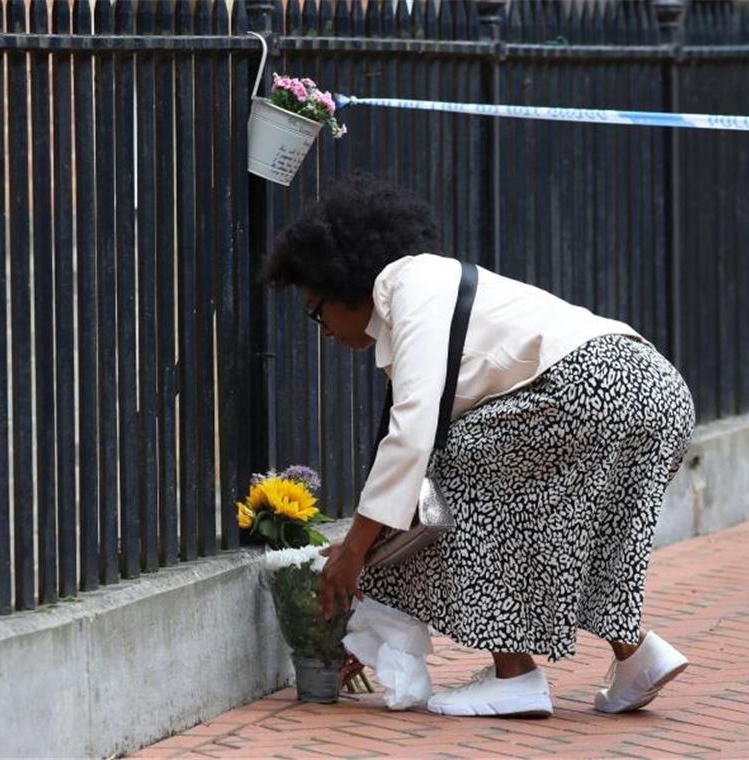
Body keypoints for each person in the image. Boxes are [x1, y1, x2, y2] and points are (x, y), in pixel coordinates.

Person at [259, 173, 696, 718]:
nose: (320, 326)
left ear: (344, 282)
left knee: (451, 469)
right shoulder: (432, 296)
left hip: (592, 386)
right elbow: (406, 463)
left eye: (315, 308)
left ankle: (515, 676)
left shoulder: (410, 287)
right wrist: (365, 581)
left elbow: (414, 434)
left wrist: (353, 551)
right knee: (587, 522)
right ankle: (637, 658)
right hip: (658, 388)